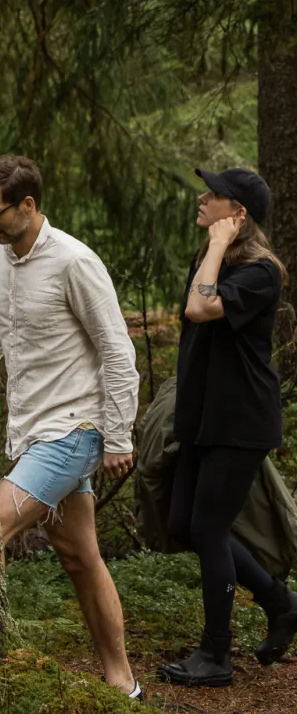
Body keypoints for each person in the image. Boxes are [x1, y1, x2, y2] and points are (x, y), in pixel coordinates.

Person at [0, 154, 142, 700]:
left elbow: (118, 350)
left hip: (74, 428)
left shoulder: (75, 261)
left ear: (28, 204)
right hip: (29, 430)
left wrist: (119, 435)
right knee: (79, 554)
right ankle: (123, 683)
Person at [157, 168, 297, 687]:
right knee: (183, 525)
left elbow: (198, 308)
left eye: (214, 195)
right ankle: (282, 602)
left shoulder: (262, 272)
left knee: (209, 530)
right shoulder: (216, 259)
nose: (201, 197)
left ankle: (216, 656)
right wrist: (214, 247)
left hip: (240, 420)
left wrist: (217, 245)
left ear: (237, 215)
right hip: (203, 416)